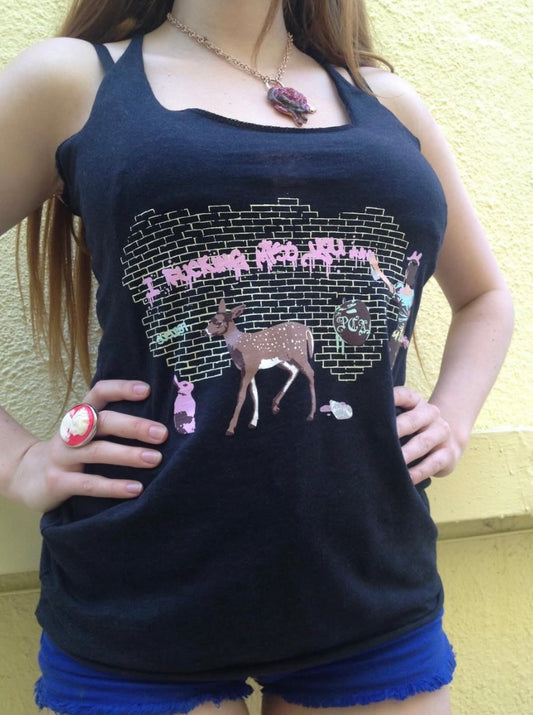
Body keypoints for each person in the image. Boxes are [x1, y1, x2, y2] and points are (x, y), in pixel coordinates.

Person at [0, 1, 514, 714]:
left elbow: (485, 297)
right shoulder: (76, 80)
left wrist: (452, 419)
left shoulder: (384, 101)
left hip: (369, 588)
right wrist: (17, 461)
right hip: (141, 602)